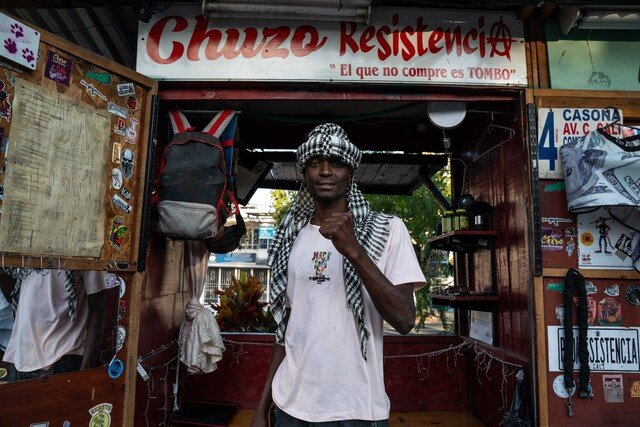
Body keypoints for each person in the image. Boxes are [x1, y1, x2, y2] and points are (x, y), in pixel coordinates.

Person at [252, 123, 426, 426]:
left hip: (357, 410)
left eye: (337, 162)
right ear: (305, 173)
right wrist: (262, 404)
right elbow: (288, 328)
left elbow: (405, 320)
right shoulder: (291, 235)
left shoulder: (387, 230)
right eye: (315, 163)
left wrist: (355, 251)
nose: (325, 171)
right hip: (290, 407)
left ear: (351, 172)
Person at [0, 269, 108, 382]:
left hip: (62, 357)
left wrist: (86, 370)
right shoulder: (27, 255)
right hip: (21, 357)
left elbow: (97, 311)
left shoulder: (86, 253)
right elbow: (11, 295)